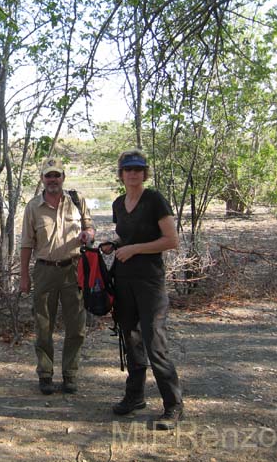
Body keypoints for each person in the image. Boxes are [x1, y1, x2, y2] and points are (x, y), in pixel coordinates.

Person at [100, 149, 183, 430]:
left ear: (144, 173)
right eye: (128, 169)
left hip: (149, 280)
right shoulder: (119, 203)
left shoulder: (155, 200)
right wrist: (117, 245)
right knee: (130, 338)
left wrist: (135, 249)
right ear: (121, 174)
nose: (133, 174)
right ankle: (134, 396)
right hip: (124, 280)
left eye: (138, 169)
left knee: (154, 341)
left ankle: (172, 405)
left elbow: (171, 240)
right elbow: (126, 236)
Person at [19, 157, 95, 395]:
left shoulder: (76, 201)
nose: (53, 180)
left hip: (73, 269)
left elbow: (90, 227)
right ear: (42, 179)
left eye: (57, 175)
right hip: (44, 270)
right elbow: (26, 244)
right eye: (48, 176)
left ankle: (70, 374)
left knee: (76, 326)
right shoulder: (33, 207)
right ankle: (45, 374)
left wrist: (88, 235)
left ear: (63, 177)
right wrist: (24, 276)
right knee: (43, 325)